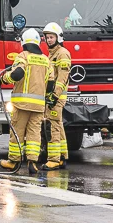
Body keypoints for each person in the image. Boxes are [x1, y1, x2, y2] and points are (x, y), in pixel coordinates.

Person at [0, 28, 54, 174]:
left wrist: (2, 79)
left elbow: (17, 74)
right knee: (34, 133)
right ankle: (32, 163)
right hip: (39, 105)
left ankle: (13, 161)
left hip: (22, 103)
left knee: (17, 131)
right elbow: (50, 85)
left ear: (24, 42)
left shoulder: (23, 56)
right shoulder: (46, 60)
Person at [42, 22, 71, 170]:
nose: (49, 40)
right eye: (47, 37)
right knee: (58, 125)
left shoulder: (62, 53)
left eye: (52, 37)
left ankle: (53, 159)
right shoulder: (52, 54)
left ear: (58, 37)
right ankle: (63, 156)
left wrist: (54, 96)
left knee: (52, 126)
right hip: (53, 97)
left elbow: (62, 78)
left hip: (57, 97)